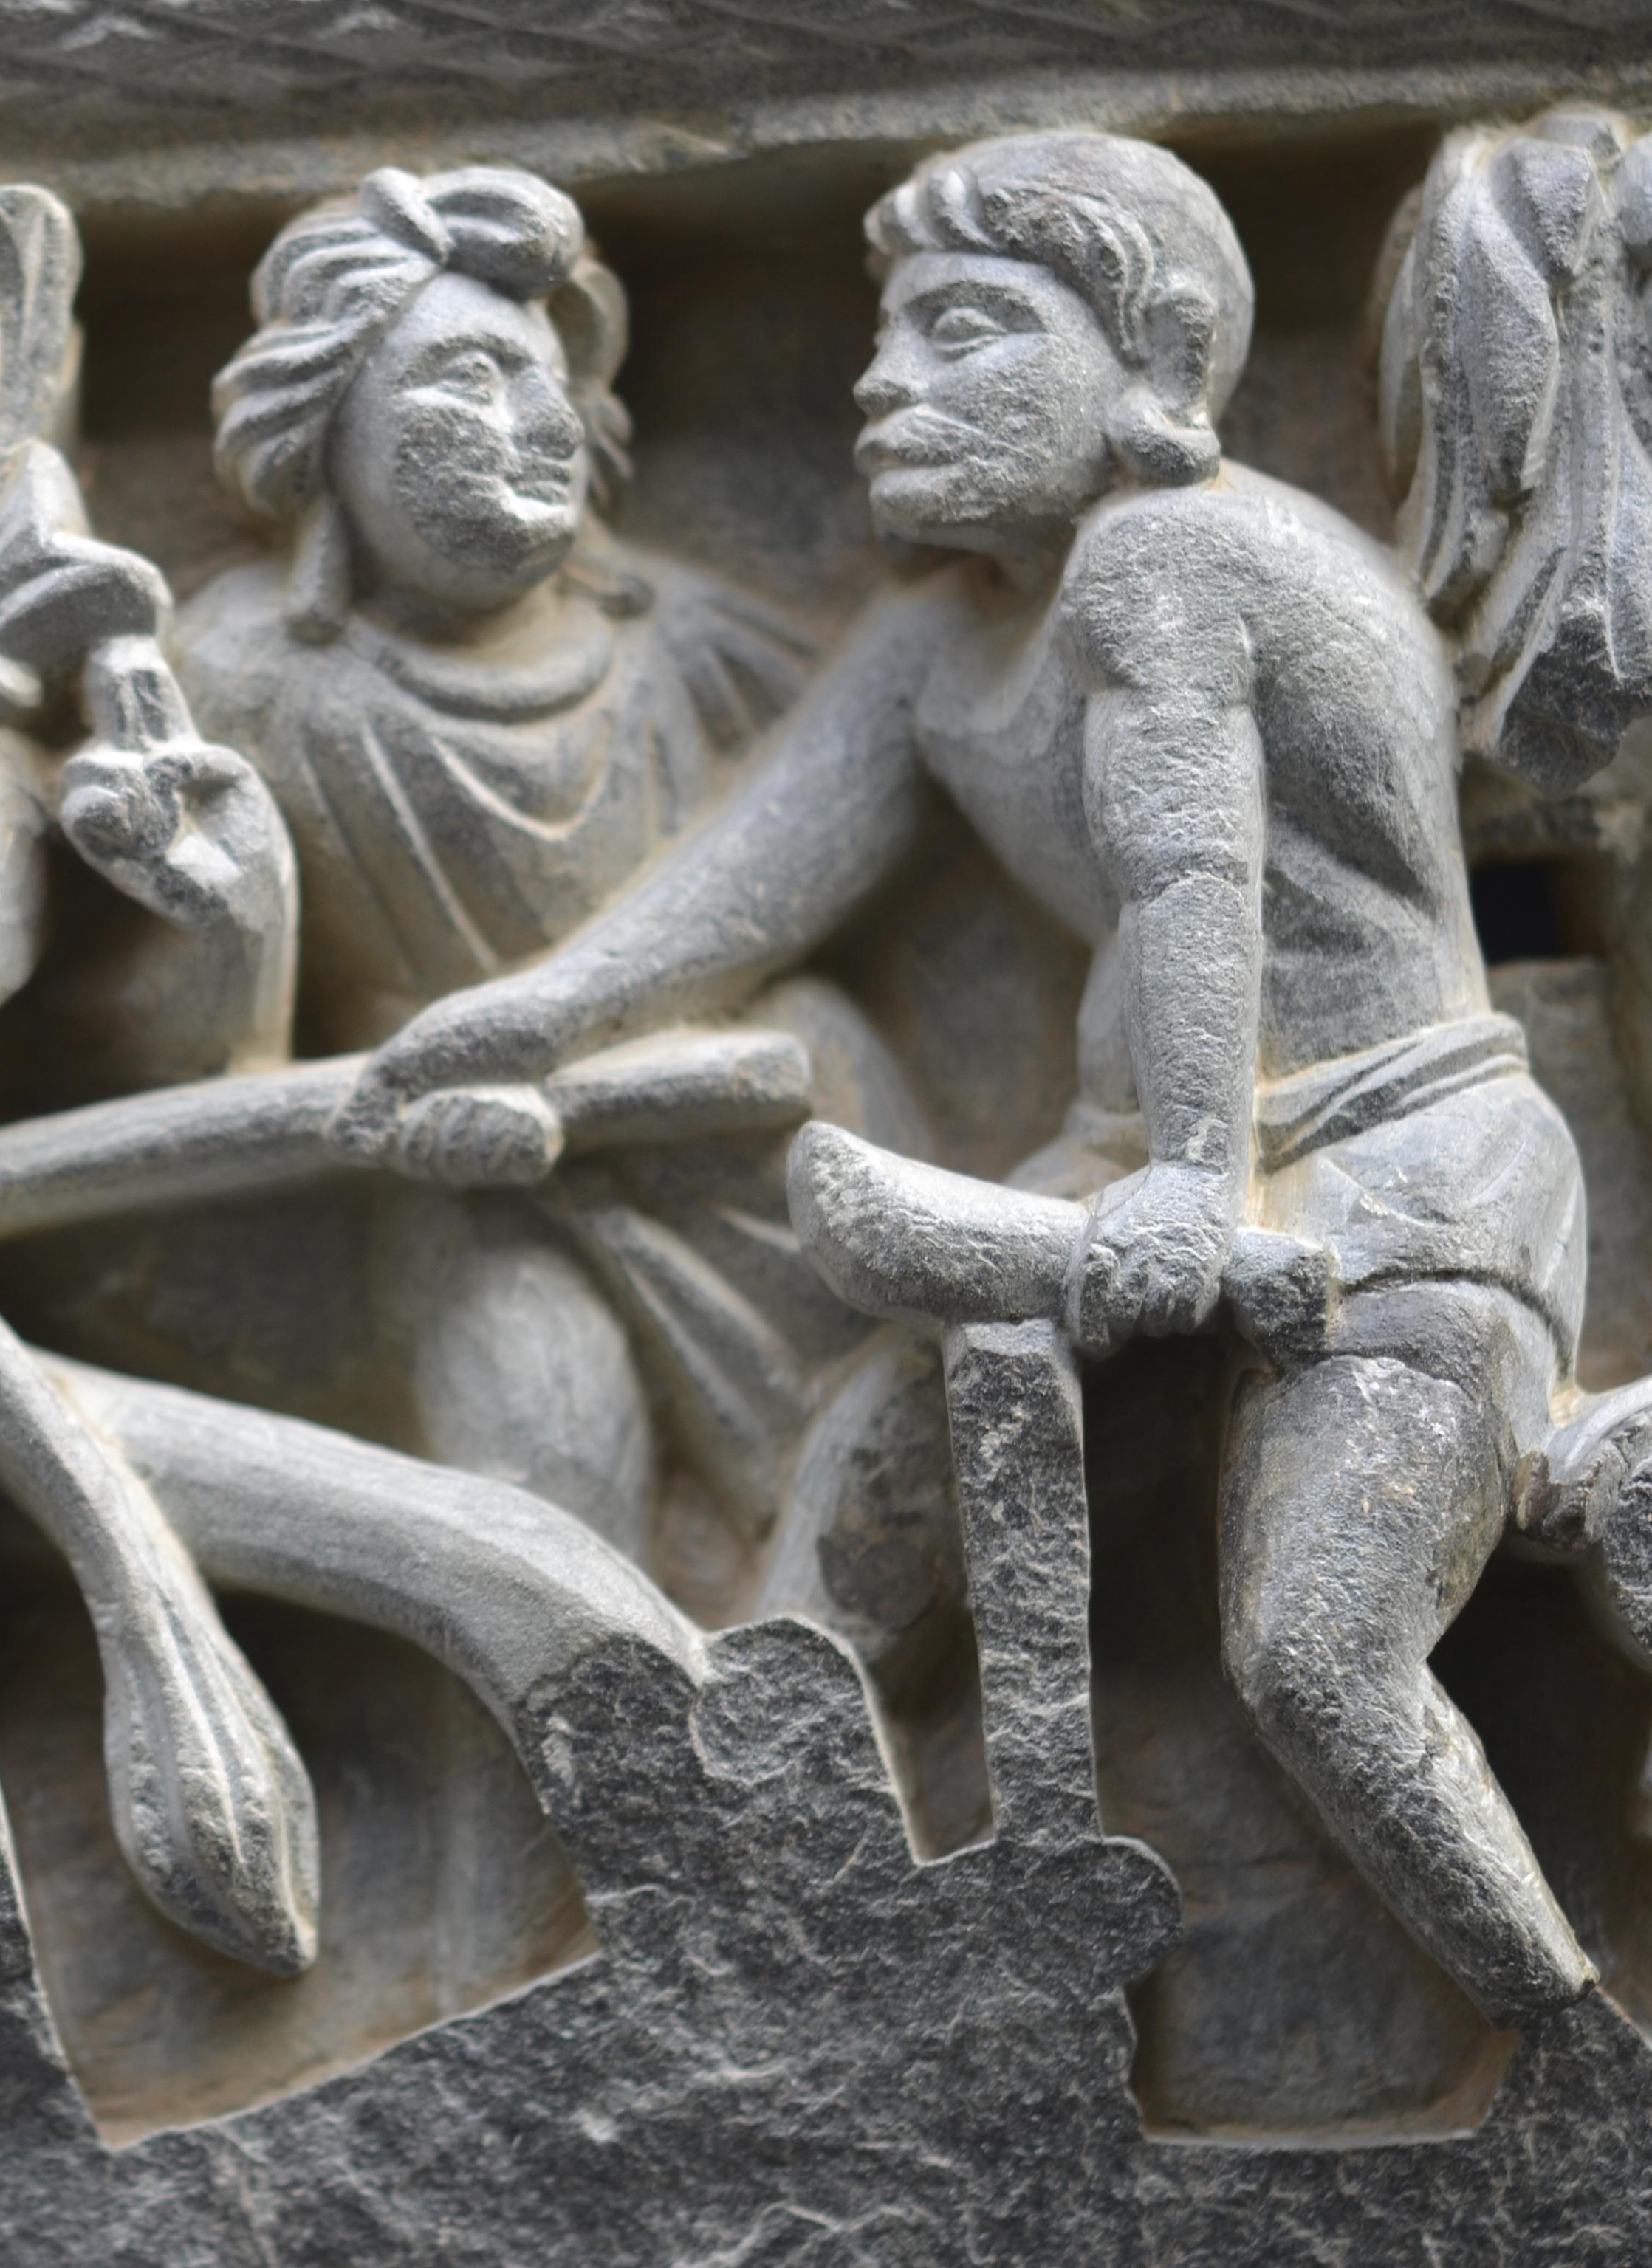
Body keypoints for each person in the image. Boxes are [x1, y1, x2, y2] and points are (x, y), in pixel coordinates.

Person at [337, 129, 1595, 2024]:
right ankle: (721, 1998)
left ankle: (1570, 2045)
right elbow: (758, 874)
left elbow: (1194, 876)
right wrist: (532, 1018)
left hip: (1399, 1168)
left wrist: (1194, 1181)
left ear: (1156, 359)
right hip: (1128, 1175)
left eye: (968, 330)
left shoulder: (1173, 554)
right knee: (845, 1543)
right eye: (885, 336)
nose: (883, 380)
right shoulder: (942, 635)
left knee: (1320, 1659)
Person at [144, 164, 939, 1592]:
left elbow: (879, 839)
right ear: (322, 432)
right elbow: (175, 1059)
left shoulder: (689, 650)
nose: (541, 424)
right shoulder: (246, 681)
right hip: (464, 1178)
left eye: (551, 381)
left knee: (913, 1495)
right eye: (466, 380)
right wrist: (222, 936)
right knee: (547, 1501)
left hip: (766, 1145)